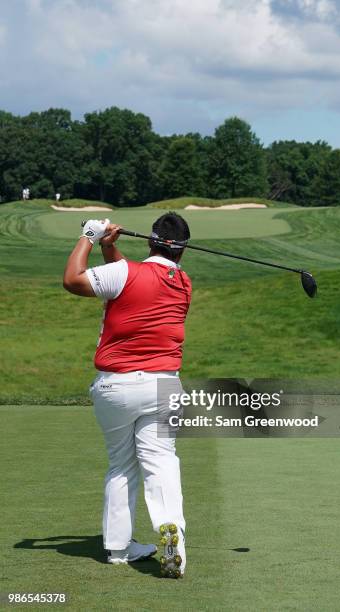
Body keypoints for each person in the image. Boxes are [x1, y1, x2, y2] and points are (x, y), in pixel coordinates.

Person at [63, 213, 192, 579]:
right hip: (165, 384)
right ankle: (173, 537)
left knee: (121, 464)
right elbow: (126, 279)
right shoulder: (183, 282)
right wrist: (110, 247)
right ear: (181, 250)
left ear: (151, 241)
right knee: (162, 461)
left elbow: (73, 280)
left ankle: (119, 548)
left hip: (117, 387)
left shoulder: (127, 273)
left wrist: (89, 236)